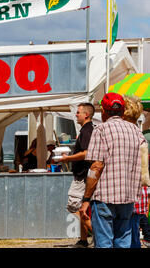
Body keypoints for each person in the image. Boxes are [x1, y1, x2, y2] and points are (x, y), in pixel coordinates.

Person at [79, 93, 146, 248]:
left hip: (105, 196)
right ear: (122, 111)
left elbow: (96, 166)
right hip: (128, 198)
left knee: (104, 243)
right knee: (123, 242)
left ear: (103, 111)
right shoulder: (136, 131)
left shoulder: (101, 129)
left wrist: (86, 199)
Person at [60, 102, 95, 248]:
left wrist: (67, 158)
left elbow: (87, 153)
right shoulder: (86, 130)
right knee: (81, 208)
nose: (76, 115)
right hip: (83, 176)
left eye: (78, 112)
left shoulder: (87, 130)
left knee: (75, 207)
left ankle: (102, 237)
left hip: (83, 177)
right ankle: (83, 240)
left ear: (86, 115)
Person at [122, 95, 150, 248]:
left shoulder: (130, 135)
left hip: (131, 191)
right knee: (132, 231)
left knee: (131, 234)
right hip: (141, 190)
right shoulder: (139, 135)